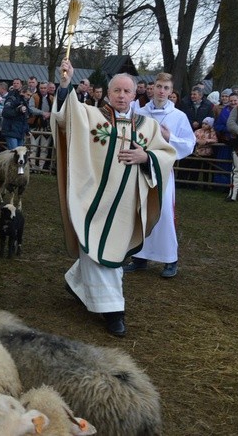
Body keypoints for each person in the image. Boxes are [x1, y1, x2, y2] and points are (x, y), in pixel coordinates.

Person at [52, 59, 176, 337]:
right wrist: (65, 84)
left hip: (125, 206)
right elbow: (64, 118)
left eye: (127, 92)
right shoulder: (90, 117)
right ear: (108, 93)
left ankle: (76, 282)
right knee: (97, 250)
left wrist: (146, 157)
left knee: (111, 251)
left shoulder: (148, 127)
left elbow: (166, 155)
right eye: (116, 91)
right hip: (93, 200)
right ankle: (113, 311)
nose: (121, 96)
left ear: (135, 95)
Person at [124, 73, 196, 279]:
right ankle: (139, 257)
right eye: (158, 86)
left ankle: (170, 259)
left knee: (163, 214)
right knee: (140, 211)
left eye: (166, 88)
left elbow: (189, 144)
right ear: (152, 88)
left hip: (162, 170)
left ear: (171, 92)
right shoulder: (139, 111)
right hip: (139, 168)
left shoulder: (178, 116)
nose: (161, 91)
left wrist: (169, 137)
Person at [1, 81, 40, 149]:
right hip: (11, 130)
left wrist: (27, 130)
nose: (29, 97)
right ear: (22, 92)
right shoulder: (12, 99)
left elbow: (24, 119)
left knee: (19, 154)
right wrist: (18, 110)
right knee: (14, 153)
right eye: (28, 95)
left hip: (19, 132)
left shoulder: (25, 103)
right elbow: (5, 113)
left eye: (30, 95)